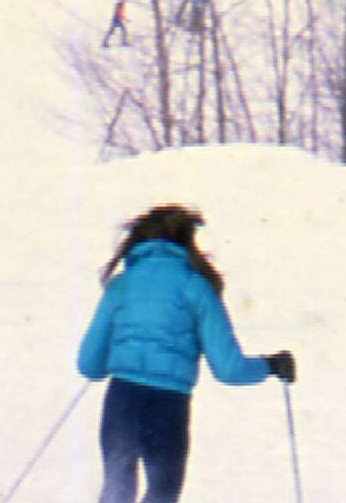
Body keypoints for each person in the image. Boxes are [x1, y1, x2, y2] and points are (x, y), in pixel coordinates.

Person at [78, 204, 295, 503]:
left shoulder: (122, 285)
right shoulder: (197, 288)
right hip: (167, 407)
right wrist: (272, 365)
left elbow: (88, 365)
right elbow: (228, 369)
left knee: (116, 491)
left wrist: (123, 358)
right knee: (162, 494)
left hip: (121, 401)